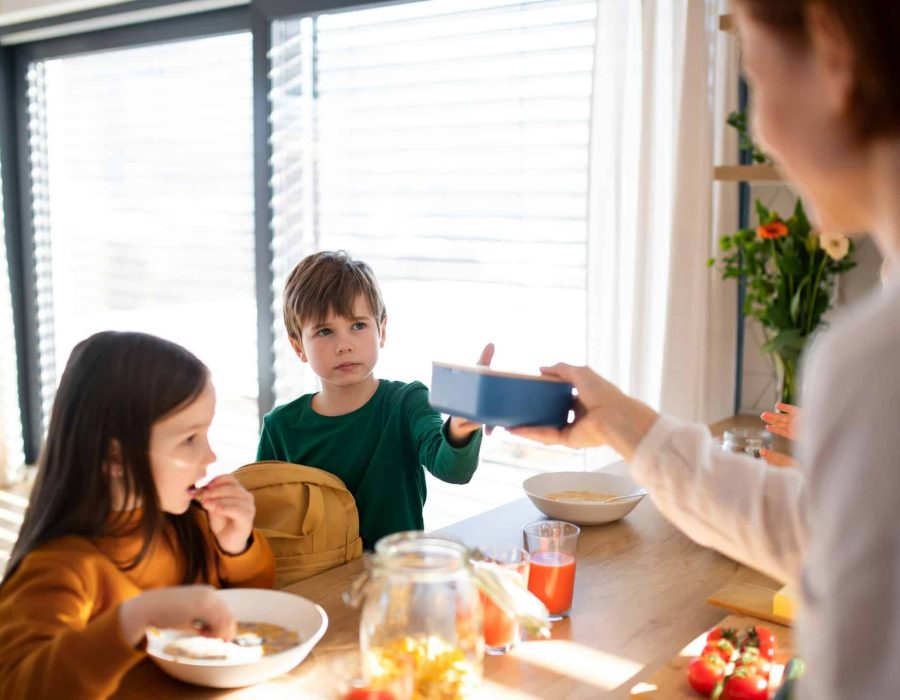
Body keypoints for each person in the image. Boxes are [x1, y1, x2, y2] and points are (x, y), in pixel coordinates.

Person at [512, 2, 900, 697]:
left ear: (835, 55)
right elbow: (825, 536)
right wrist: (624, 423)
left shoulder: (873, 357)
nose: (761, 131)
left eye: (754, 75)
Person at [0, 331, 275, 698]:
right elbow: (21, 688)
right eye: (189, 439)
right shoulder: (59, 568)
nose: (210, 457)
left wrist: (236, 546)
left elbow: (248, 619)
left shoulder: (188, 523)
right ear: (115, 458)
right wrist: (134, 619)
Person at [257, 250, 491, 549]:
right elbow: (266, 519)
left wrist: (461, 424)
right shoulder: (281, 427)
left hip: (397, 577)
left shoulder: (408, 402)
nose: (344, 345)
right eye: (325, 331)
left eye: (358, 325)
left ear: (382, 330)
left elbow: (454, 470)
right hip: (315, 581)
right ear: (298, 346)